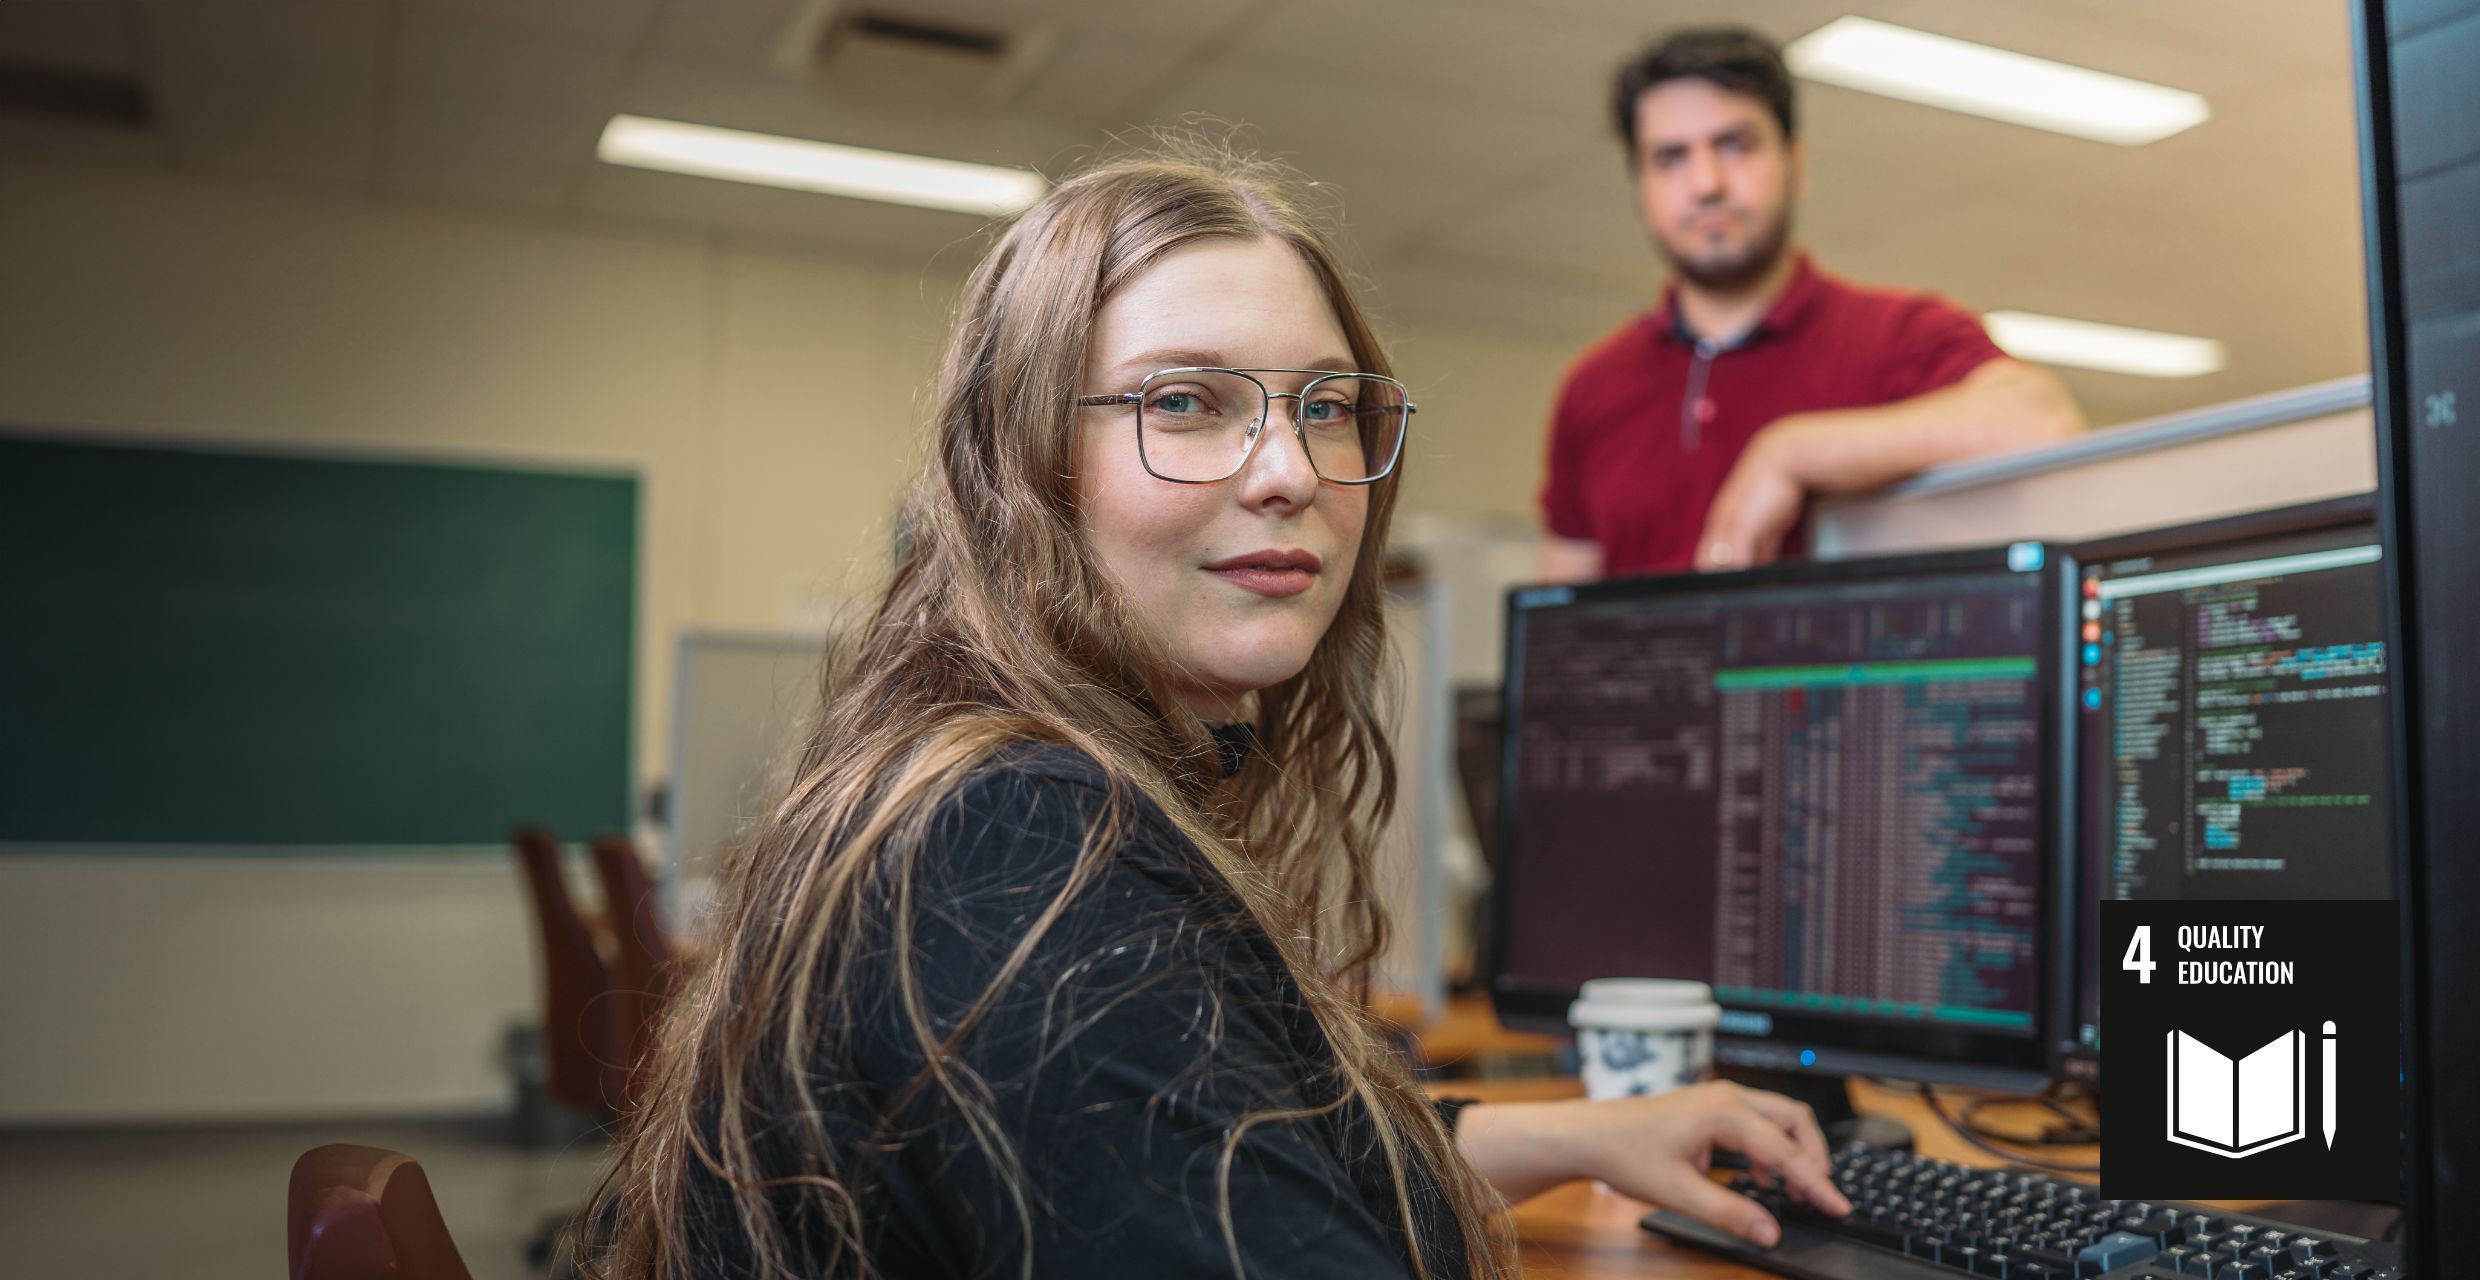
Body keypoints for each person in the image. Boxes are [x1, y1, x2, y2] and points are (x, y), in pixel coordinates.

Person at [580, 150, 1847, 1280]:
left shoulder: (1003, 781)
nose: (1290, 471)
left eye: (1325, 403)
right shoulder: (1022, 851)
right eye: (1185, 401)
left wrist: (1584, 1131)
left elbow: (1247, 1138)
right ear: (1024, 463)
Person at [1539, 27, 2085, 581]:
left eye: (1735, 145)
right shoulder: (1593, 387)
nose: (1706, 183)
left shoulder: (1897, 335)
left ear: (1795, 163)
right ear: (1641, 186)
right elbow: (1558, 621)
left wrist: (1791, 452)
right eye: (1671, 157)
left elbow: (2042, 422)